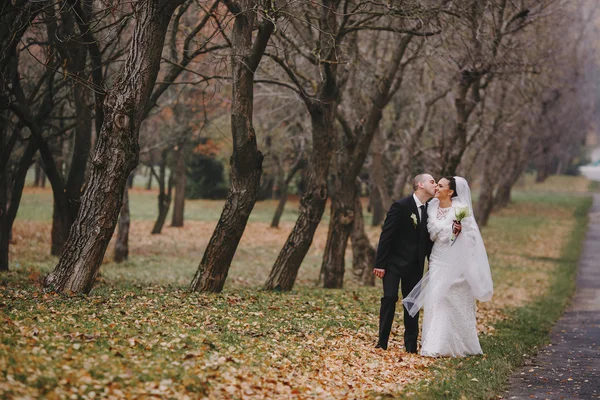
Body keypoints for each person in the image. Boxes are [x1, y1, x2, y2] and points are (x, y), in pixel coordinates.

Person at [403, 176, 494, 357]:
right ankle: (434, 344)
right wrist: (447, 231)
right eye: (436, 184)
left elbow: (471, 238)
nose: (436, 187)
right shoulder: (432, 206)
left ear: (450, 192)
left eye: (441, 185)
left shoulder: (461, 210)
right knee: (436, 299)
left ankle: (460, 342)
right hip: (438, 259)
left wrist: (456, 233)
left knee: (454, 299)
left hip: (457, 261)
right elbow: (431, 232)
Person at [373, 174, 437, 352]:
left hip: (415, 265)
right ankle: (382, 342)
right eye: (432, 181)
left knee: (412, 304)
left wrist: (433, 260)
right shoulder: (401, 206)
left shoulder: (430, 210)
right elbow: (387, 235)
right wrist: (380, 263)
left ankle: (410, 346)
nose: (435, 184)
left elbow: (429, 239)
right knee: (390, 297)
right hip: (393, 263)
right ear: (420, 184)